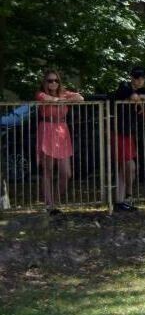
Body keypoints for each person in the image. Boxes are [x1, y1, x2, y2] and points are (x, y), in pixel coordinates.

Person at [35, 70, 84, 214]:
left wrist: (68, 98)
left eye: (56, 80)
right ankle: (49, 205)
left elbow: (80, 98)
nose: (53, 83)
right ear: (45, 82)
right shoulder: (40, 94)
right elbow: (49, 100)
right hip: (47, 130)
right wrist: (64, 100)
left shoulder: (64, 93)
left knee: (66, 173)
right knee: (48, 170)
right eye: (50, 80)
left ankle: (55, 201)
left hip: (62, 131)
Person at [111, 66, 145, 211]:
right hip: (118, 132)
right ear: (131, 77)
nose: (140, 81)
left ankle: (120, 201)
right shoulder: (124, 86)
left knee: (124, 168)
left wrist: (140, 99)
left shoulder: (141, 90)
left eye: (142, 78)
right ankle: (126, 196)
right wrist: (140, 100)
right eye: (137, 78)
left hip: (129, 133)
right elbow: (133, 97)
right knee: (129, 166)